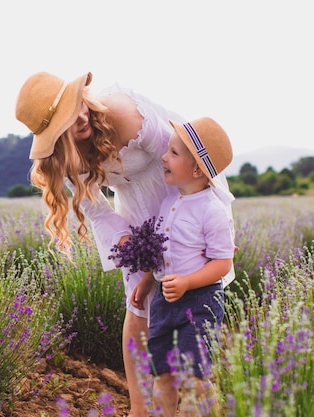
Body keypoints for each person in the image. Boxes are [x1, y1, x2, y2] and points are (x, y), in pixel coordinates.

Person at [15, 71, 235, 417]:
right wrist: (129, 243)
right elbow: (97, 210)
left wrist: (206, 230)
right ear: (54, 135)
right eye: (67, 120)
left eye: (77, 105)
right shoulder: (68, 158)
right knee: (138, 303)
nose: (82, 117)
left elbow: (182, 162)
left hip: (177, 194)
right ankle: (140, 409)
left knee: (191, 288)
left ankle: (196, 394)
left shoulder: (123, 115)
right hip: (134, 210)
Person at [131, 117, 235, 416]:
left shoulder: (212, 210)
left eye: (174, 153)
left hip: (199, 302)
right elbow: (164, 250)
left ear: (197, 170)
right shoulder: (169, 202)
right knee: (162, 373)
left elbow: (222, 263)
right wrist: (150, 279)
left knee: (195, 377)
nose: (164, 157)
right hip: (165, 301)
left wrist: (189, 283)